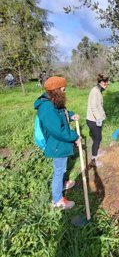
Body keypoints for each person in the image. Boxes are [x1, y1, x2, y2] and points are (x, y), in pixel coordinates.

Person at [34, 76, 81, 209]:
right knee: (59, 170)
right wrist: (75, 137)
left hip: (60, 144)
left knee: (62, 168)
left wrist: (71, 115)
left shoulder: (53, 101)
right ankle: (57, 200)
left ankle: (62, 184)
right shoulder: (47, 107)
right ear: (56, 90)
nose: (65, 91)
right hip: (56, 145)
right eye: (63, 89)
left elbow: (61, 112)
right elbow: (58, 131)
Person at [86, 74, 109, 167]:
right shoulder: (95, 91)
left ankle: (96, 152)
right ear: (101, 83)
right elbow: (93, 107)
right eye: (106, 84)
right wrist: (98, 118)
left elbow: (98, 105)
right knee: (97, 139)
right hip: (93, 120)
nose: (107, 85)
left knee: (98, 138)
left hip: (95, 119)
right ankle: (93, 160)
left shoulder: (97, 90)